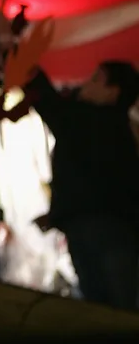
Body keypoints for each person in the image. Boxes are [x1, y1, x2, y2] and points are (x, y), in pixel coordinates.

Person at [24, 60, 139, 310]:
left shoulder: (92, 120)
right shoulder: (119, 128)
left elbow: (51, 105)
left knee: (105, 308)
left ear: (113, 91)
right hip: (114, 227)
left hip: (98, 228)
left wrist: (28, 69)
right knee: (119, 307)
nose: (87, 84)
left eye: (96, 79)